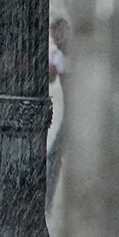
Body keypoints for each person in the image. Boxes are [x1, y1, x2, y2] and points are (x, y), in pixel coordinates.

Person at [46, 17, 70, 213]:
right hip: (72, 116)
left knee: (55, 156)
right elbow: (51, 78)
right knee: (55, 156)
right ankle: (47, 203)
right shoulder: (59, 55)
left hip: (77, 116)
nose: (56, 39)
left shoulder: (73, 53)